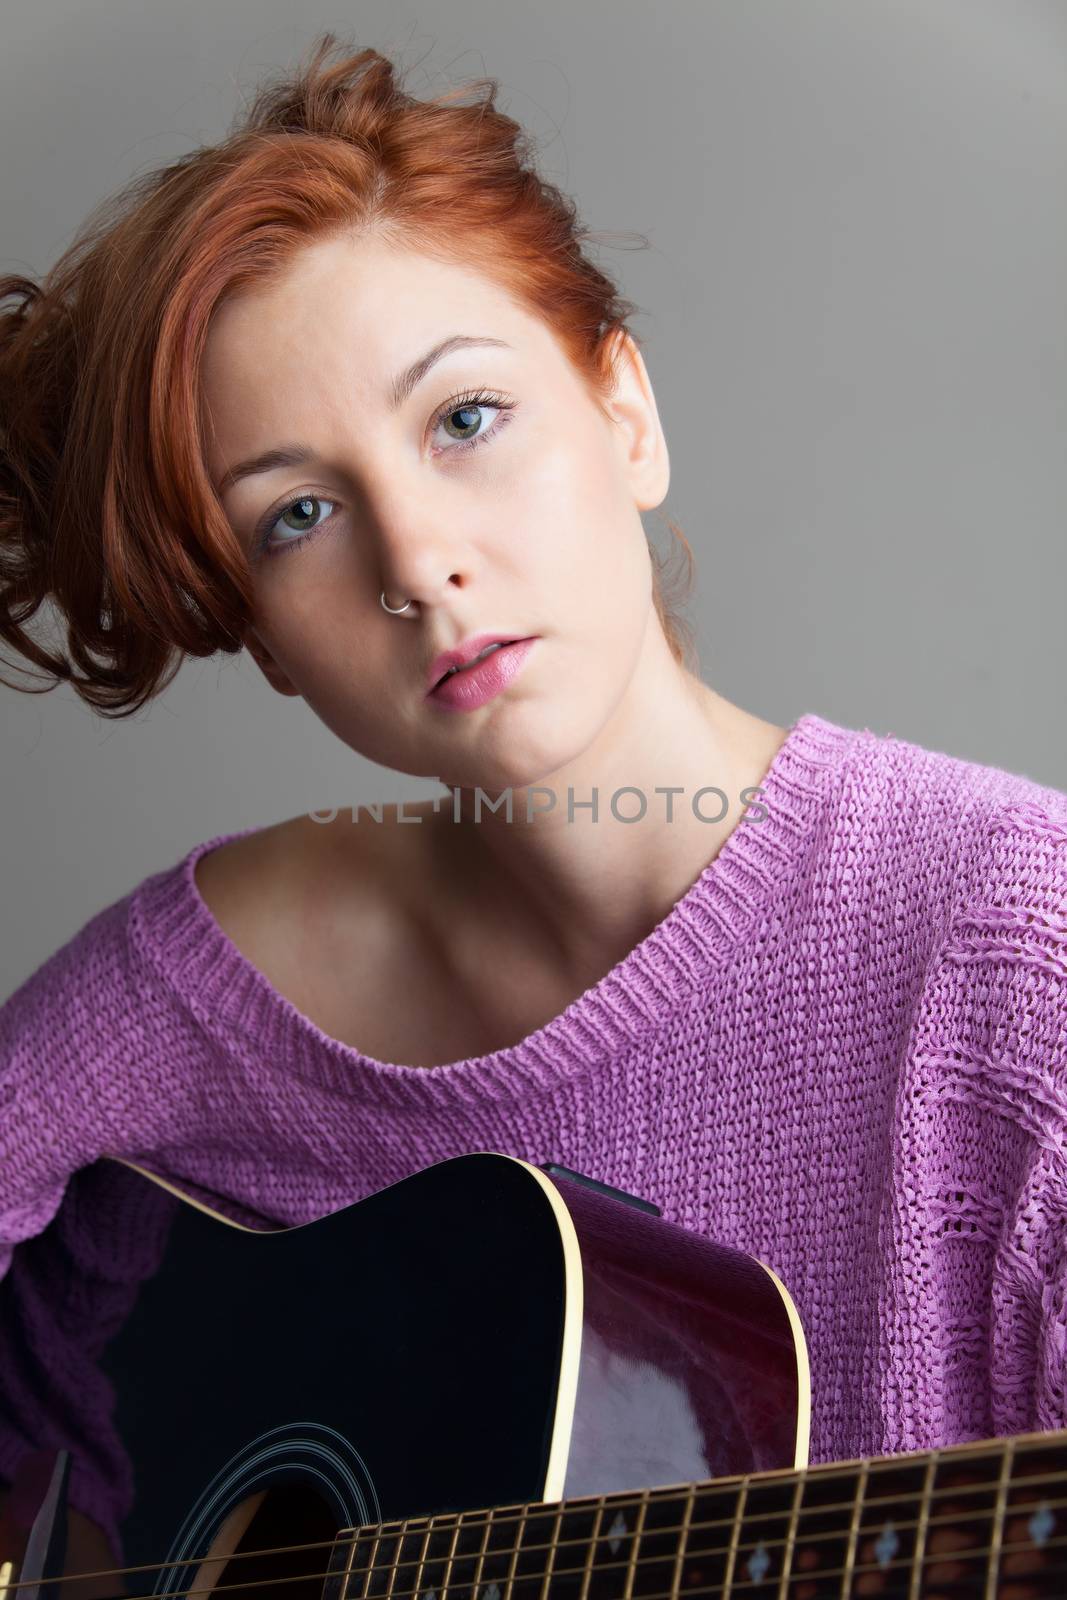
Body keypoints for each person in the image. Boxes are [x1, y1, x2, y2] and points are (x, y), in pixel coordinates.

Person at [0, 29, 1065, 1588]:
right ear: (268, 642)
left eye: (466, 419)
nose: (418, 559)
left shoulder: (1014, 952)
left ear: (624, 412)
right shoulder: (221, 983)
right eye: (296, 515)